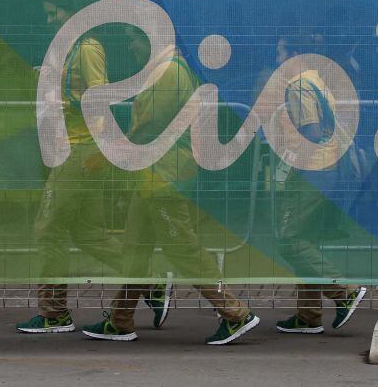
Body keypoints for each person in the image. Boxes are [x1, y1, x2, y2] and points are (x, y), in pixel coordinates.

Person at [80, 26, 258, 344]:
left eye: (134, 41)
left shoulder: (169, 73)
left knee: (184, 250)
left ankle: (235, 313)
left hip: (166, 177)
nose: (131, 49)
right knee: (135, 251)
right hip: (153, 176)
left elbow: (148, 127)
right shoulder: (164, 70)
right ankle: (120, 320)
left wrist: (108, 155)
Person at [16, 0, 169, 334]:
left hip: (78, 150)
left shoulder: (87, 47)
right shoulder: (74, 50)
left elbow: (96, 98)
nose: (49, 20)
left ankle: (54, 314)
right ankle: (152, 282)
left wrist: (59, 97)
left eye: (53, 12)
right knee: (87, 234)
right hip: (77, 149)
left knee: (47, 229)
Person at [272, 35, 366, 334]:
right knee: (306, 239)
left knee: (289, 239)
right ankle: (309, 315)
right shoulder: (317, 79)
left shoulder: (298, 84)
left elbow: (310, 132)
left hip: (310, 169)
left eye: (281, 52)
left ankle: (344, 291)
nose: (277, 61)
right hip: (328, 166)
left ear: (296, 54)